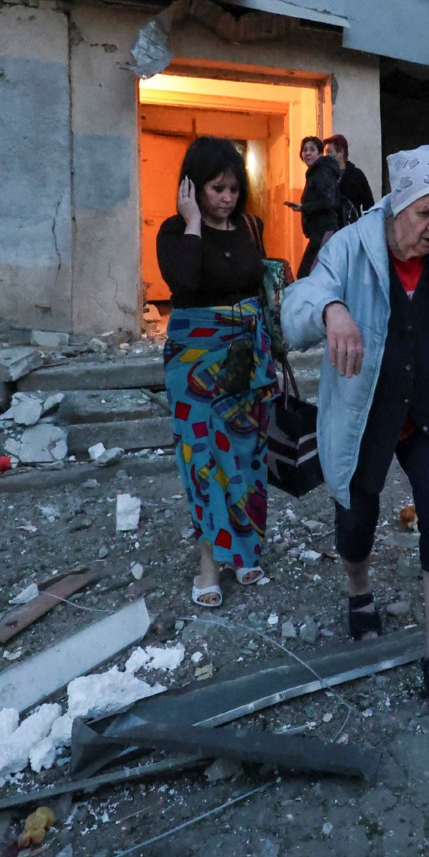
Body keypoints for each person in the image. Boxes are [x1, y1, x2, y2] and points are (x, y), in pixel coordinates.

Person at [282, 145, 429, 716]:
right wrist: (332, 309)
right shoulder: (348, 247)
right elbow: (296, 307)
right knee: (357, 517)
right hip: (367, 414)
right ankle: (358, 590)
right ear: (397, 209)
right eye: (426, 214)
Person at [156, 136, 280, 609]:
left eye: (232, 188)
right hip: (193, 365)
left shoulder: (250, 225)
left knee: (246, 456)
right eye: (215, 188)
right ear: (193, 187)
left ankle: (245, 549)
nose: (226, 198)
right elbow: (184, 283)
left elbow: (258, 288)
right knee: (202, 463)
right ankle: (209, 563)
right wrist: (192, 223)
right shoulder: (174, 231)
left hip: (245, 360)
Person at [293, 136, 342, 278]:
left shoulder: (322, 171)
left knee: (306, 274)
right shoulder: (316, 172)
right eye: (304, 150)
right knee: (314, 274)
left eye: (312, 150)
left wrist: (305, 207)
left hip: (325, 231)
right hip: (319, 232)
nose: (307, 153)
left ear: (320, 153)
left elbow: (329, 201)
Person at [324, 134, 375, 225]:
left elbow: (369, 204)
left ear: (341, 152)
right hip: (330, 230)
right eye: (325, 152)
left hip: (351, 228)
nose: (326, 156)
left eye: (329, 152)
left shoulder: (356, 175)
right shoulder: (324, 176)